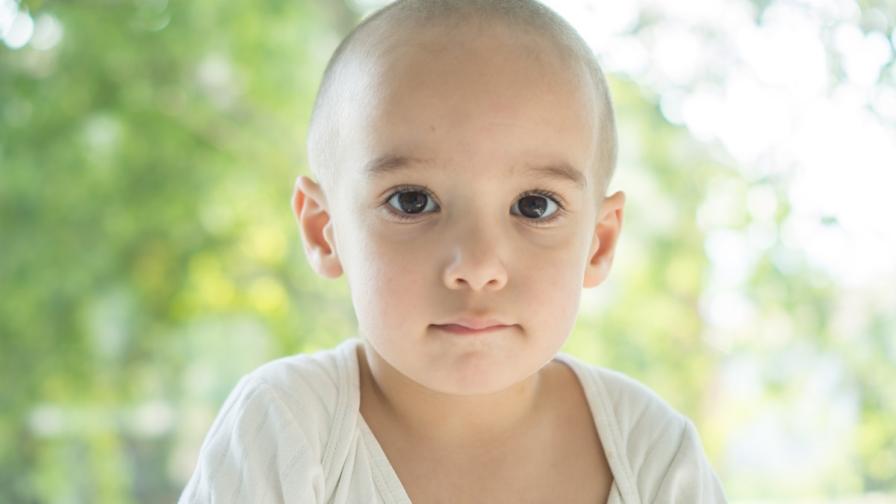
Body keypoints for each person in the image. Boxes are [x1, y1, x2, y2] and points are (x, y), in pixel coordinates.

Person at [178, 0, 727, 502]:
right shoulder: (285, 428)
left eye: (534, 206)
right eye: (412, 201)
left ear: (599, 242)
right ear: (325, 231)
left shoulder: (653, 455)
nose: (478, 267)